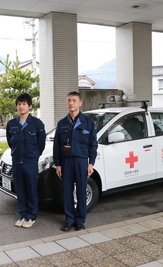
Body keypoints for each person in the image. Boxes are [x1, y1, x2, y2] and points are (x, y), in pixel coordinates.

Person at [53, 91, 98, 232]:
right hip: (66, 163)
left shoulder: (88, 122)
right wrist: (58, 164)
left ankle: (80, 220)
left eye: (74, 100)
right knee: (67, 192)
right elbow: (56, 146)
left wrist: (91, 163)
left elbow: (93, 144)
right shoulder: (61, 124)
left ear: (80, 103)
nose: (71, 103)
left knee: (81, 192)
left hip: (81, 161)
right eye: (69, 100)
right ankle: (69, 220)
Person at [6, 93, 46, 228]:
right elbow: (10, 142)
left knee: (31, 189)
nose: (21, 106)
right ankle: (22, 214)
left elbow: (41, 144)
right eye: (19, 104)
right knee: (20, 189)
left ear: (30, 106)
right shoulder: (11, 124)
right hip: (17, 161)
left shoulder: (37, 124)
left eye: (24, 104)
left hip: (30, 162)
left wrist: (33, 156)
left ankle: (31, 216)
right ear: (16, 107)